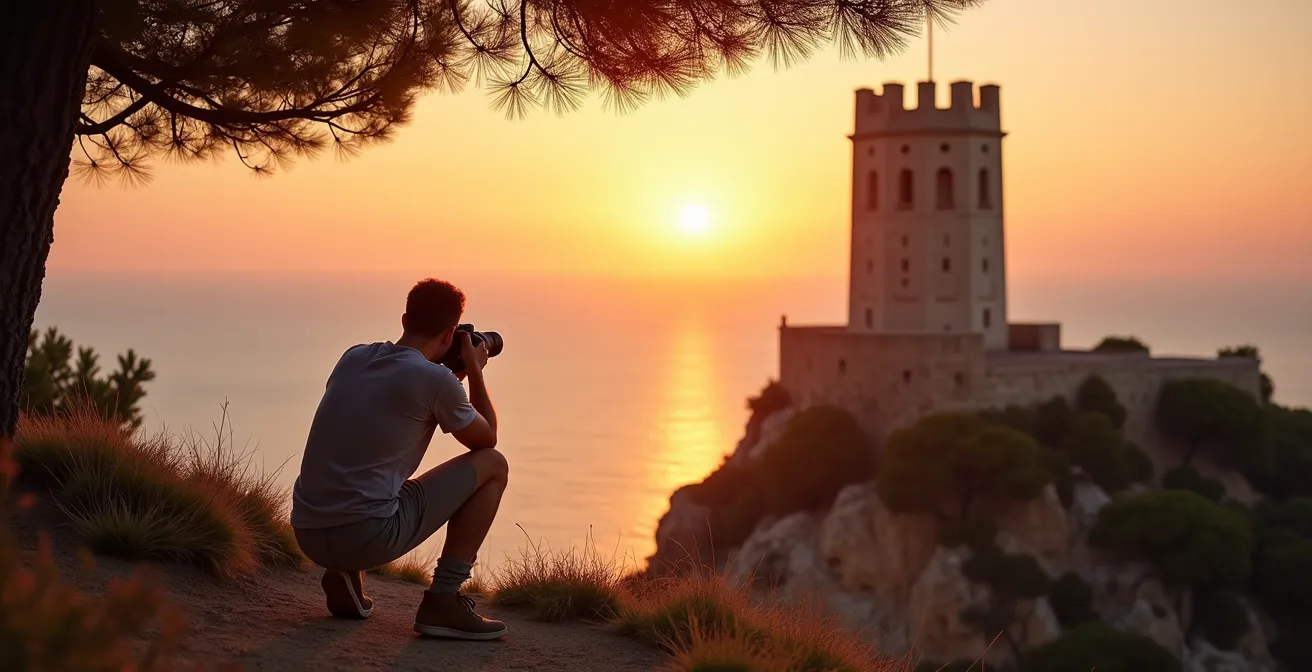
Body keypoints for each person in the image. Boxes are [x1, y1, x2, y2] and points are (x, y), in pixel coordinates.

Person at [290, 278, 509, 640]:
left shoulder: (353, 356)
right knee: (494, 465)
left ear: (405, 319)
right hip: (367, 535)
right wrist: (475, 373)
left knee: (370, 478)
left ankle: (347, 575)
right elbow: (486, 440)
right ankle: (443, 600)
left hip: (308, 531)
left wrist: (445, 378)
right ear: (452, 332)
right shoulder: (436, 381)